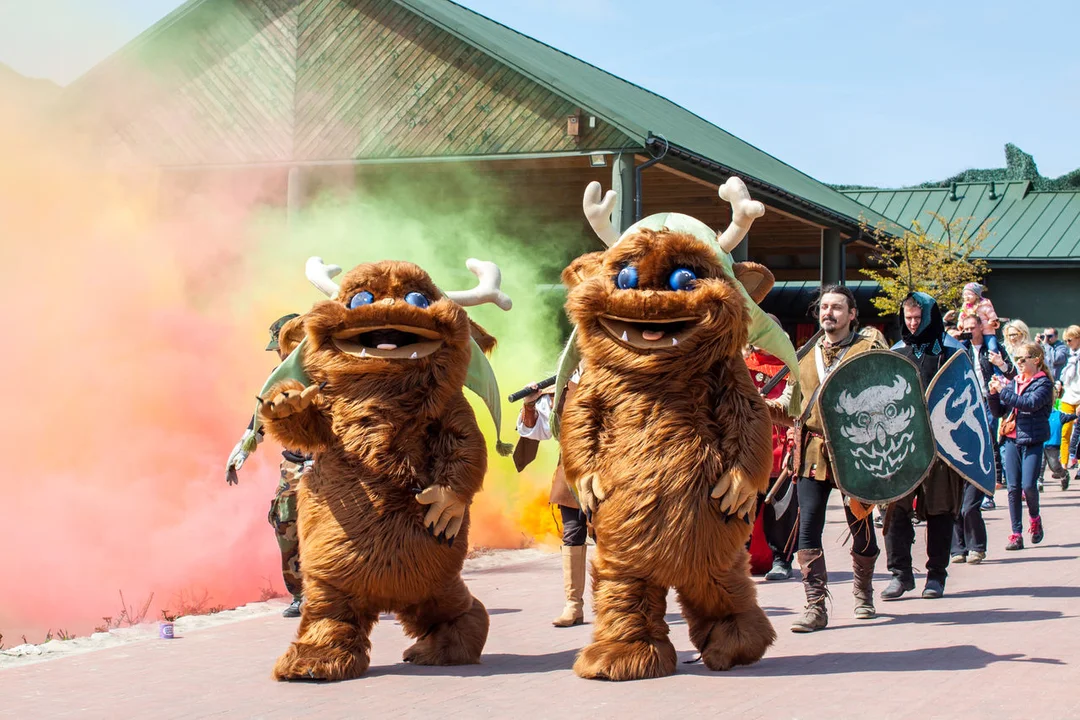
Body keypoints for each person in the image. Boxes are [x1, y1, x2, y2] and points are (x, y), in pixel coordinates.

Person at [788, 285, 885, 632]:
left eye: (837, 308)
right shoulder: (803, 354)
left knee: (860, 526)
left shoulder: (868, 350)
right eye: (824, 307)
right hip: (813, 453)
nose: (829, 313)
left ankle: (863, 591)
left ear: (852, 314)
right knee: (809, 526)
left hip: (856, 453)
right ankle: (815, 606)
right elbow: (792, 403)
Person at [883, 293, 966, 600]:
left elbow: (964, 401)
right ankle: (900, 574)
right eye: (909, 318)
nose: (914, 324)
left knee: (939, 510)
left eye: (919, 318)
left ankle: (936, 575)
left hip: (939, 447)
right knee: (895, 510)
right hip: (901, 447)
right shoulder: (896, 353)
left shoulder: (952, 352)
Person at [225, 313, 309, 618]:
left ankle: (353, 593)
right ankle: (301, 595)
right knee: (285, 524)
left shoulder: (333, 374)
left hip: (332, 467)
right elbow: (261, 417)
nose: (280, 354)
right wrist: (243, 449)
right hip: (293, 468)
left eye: (283, 347)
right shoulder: (279, 376)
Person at [514, 369, 588, 627]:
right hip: (571, 473)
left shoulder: (613, 379)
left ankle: (622, 604)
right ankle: (573, 606)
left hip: (610, 474)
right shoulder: (560, 389)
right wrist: (530, 404)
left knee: (614, 541)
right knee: (572, 534)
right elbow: (537, 431)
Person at [951, 313, 1014, 565]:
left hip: (988, 404)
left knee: (969, 500)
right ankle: (958, 548)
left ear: (981, 327)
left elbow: (1012, 375)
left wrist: (1000, 364)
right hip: (961, 412)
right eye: (964, 328)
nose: (968, 331)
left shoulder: (993, 348)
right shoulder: (957, 349)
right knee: (953, 498)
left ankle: (976, 545)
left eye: (971, 327)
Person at [988, 342, 1055, 551]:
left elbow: (1029, 404)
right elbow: (999, 411)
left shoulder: (1043, 384)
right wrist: (993, 393)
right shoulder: (1014, 382)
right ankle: (1016, 533)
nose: (1018, 363)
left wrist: (1003, 391)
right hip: (1011, 439)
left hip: (1032, 440)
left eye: (1022, 359)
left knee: (1028, 486)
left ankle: (1035, 519)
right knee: (1013, 488)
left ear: (1036, 360)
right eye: (1016, 359)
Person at [744, 330, 798, 582]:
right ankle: (737, 560)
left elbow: (795, 411)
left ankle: (781, 560)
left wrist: (793, 444)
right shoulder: (738, 365)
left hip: (780, 449)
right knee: (741, 508)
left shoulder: (792, 368)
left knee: (782, 510)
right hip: (749, 448)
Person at [1056, 325, 1080, 472]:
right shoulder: (1068, 356)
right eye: (1065, 340)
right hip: (1068, 396)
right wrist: (1059, 384)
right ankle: (1063, 466)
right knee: (1064, 431)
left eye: (1070, 340)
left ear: (1078, 338)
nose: (1067, 343)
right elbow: (1063, 376)